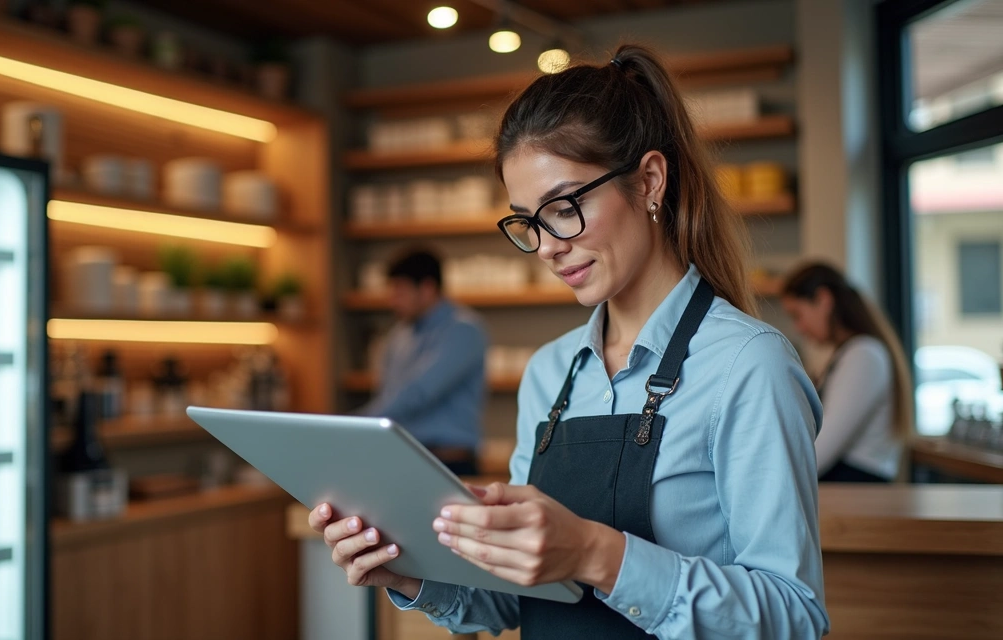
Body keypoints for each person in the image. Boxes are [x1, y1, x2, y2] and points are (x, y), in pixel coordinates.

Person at [310, 44, 830, 639]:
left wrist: (597, 553)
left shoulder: (748, 365)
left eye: (563, 207)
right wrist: (407, 574)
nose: (548, 245)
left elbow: (795, 618)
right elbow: (522, 598)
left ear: (650, 181)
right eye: (529, 222)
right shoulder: (551, 371)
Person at [356, 248, 489, 476]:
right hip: (401, 457)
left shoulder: (463, 330)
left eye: (400, 291)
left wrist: (355, 424)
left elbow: (418, 393)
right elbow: (387, 392)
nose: (392, 300)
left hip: (448, 463)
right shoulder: (398, 335)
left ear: (427, 289)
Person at [781, 262, 914, 483]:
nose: (799, 328)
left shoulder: (864, 356)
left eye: (797, 314)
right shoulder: (852, 354)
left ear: (823, 299)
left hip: (856, 494)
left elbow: (821, 450)